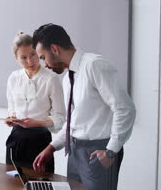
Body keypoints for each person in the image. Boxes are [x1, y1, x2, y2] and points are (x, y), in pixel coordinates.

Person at [31, 24, 136, 190]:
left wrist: (110, 151)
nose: (44, 64)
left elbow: (125, 109)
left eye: (43, 57)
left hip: (98, 152)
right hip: (74, 152)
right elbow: (73, 122)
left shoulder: (95, 66)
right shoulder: (68, 79)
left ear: (54, 49)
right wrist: (51, 148)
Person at [4, 32, 66, 172]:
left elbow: (60, 118)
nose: (30, 61)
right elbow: (12, 108)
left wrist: (37, 123)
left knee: (41, 184)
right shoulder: (14, 78)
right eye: (23, 58)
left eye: (33, 54)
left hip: (40, 141)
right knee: (13, 185)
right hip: (16, 140)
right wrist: (11, 118)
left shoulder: (51, 79)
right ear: (16, 58)